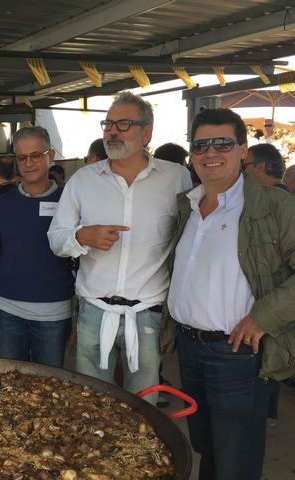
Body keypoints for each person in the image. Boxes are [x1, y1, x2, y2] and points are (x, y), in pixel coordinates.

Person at [165, 108, 295, 480]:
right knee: (206, 446)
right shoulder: (187, 205)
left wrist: (262, 317)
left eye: (223, 143)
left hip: (237, 353)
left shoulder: (274, 206)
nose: (210, 152)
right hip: (189, 348)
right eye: (201, 145)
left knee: (236, 457)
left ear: (243, 150)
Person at [47, 91, 192, 403]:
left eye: (123, 124)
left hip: (148, 312)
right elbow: (56, 238)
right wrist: (82, 237)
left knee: (144, 405)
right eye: (108, 124)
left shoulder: (176, 177)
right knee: (92, 402)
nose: (112, 132)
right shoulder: (83, 180)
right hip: (93, 310)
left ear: (146, 132)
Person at [0, 126, 74, 367]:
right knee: (9, 381)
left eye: (36, 155)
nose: (29, 163)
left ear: (51, 155)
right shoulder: (2, 204)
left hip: (53, 313)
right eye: (22, 157)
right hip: (7, 309)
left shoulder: (69, 202)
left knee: (49, 382)